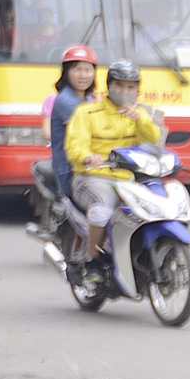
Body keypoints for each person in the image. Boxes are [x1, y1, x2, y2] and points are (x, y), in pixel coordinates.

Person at [63, 61, 160, 263]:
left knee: (154, 210)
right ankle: (92, 260)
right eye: (119, 86)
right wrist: (89, 156)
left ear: (137, 90)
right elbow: (74, 147)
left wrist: (139, 120)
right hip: (92, 177)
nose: (125, 91)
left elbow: (154, 140)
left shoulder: (138, 113)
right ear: (109, 86)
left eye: (130, 87)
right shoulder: (86, 113)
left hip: (128, 179)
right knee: (102, 211)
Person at [45, 43, 99, 199]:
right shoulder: (65, 100)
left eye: (87, 70)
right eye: (77, 69)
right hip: (70, 169)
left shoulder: (87, 98)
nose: (83, 75)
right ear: (66, 73)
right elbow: (92, 129)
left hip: (88, 166)